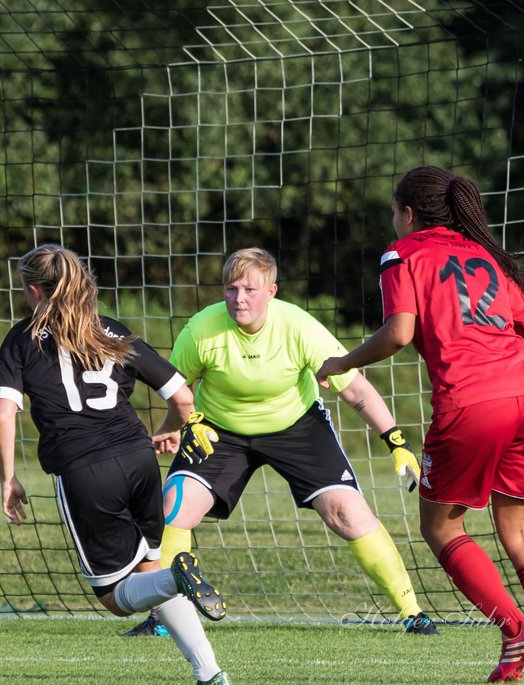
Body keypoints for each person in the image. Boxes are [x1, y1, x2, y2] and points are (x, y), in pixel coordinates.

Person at [316, 165, 524, 683]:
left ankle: (516, 631)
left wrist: (343, 362)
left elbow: (398, 333)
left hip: (471, 402)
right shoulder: (488, 253)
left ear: (408, 213)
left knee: (440, 526)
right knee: (520, 530)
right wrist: (506, 372)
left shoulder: (403, 254)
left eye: (394, 211)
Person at [126, 246, 438, 638]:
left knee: (346, 512)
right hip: (220, 430)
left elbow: (356, 390)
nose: (239, 298)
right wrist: (179, 425)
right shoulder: (201, 330)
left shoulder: (299, 326)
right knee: (174, 505)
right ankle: (164, 618)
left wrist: (395, 442)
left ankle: (412, 613)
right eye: (231, 288)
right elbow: (179, 391)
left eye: (250, 289)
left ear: (272, 291)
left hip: (297, 426)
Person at [0, 243, 230, 685]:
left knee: (116, 598)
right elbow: (183, 398)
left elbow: (5, 414)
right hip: (139, 460)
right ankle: (210, 671)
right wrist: (167, 430)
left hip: (85, 470)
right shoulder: (112, 332)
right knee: (149, 571)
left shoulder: (21, 339)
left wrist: (8, 478)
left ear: (32, 290)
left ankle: (180, 578)